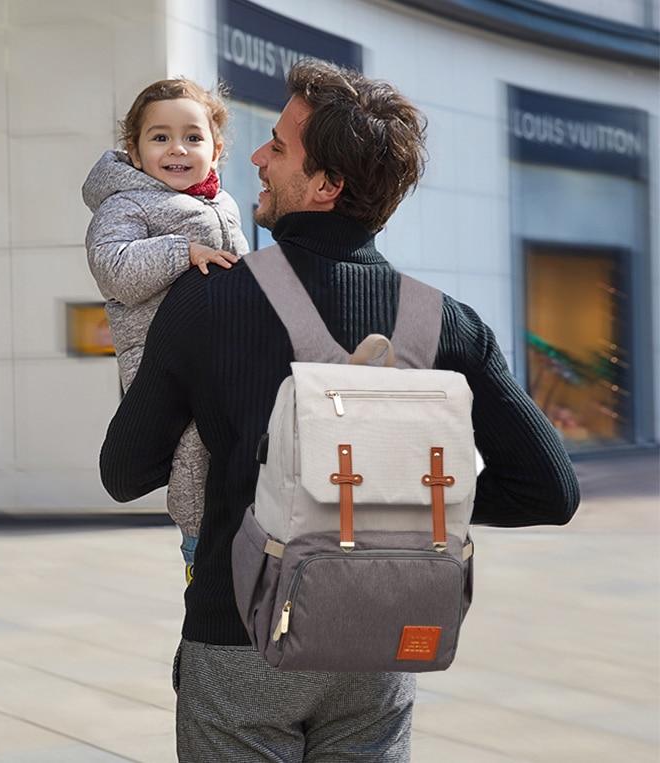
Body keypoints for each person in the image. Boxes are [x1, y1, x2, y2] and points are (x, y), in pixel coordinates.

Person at [99, 60, 580, 761]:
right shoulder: (447, 322)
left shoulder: (205, 300)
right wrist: (404, 503)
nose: (257, 159)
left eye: (279, 148)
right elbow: (552, 489)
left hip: (240, 644)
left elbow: (123, 471)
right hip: (380, 644)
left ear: (326, 185)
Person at [82, 78, 249, 581]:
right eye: (159, 138)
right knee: (192, 451)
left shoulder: (226, 206)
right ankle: (198, 546)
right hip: (163, 362)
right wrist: (184, 251)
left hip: (221, 355)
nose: (177, 148)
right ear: (133, 151)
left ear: (216, 150)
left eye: (193, 138)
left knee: (238, 443)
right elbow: (113, 267)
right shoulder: (125, 205)